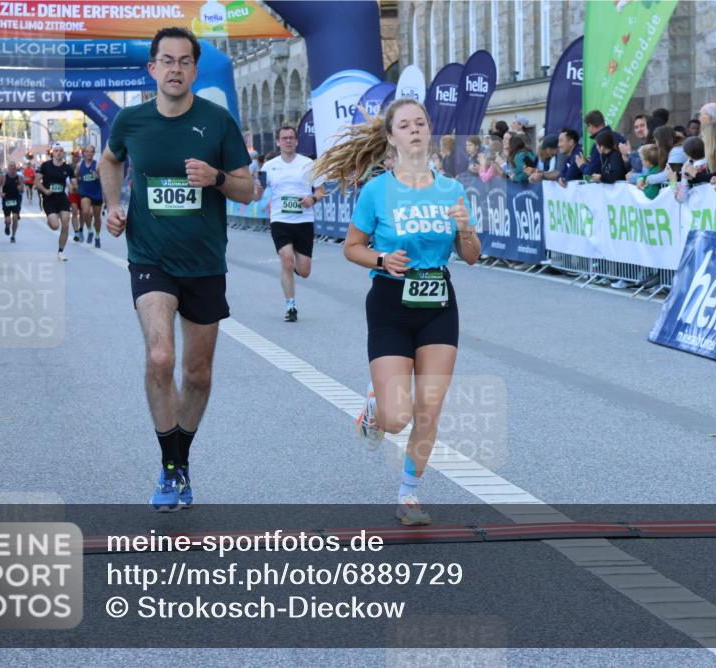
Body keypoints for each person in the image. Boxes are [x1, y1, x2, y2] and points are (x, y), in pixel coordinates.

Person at [100, 26, 255, 511]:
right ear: (152, 69)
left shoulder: (217, 121)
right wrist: (112, 206)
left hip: (205, 262)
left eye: (184, 61)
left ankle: (179, 459)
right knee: (161, 356)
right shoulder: (131, 120)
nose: (175, 69)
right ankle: (170, 468)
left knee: (198, 373)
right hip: (151, 258)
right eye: (166, 61)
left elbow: (248, 188)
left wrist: (217, 177)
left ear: (194, 69)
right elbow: (110, 161)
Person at [311, 99, 480, 526]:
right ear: (391, 137)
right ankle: (375, 407)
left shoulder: (451, 190)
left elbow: (472, 256)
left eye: (420, 122)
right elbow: (352, 247)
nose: (415, 130)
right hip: (390, 302)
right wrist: (382, 259)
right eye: (405, 125)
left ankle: (409, 494)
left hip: (438, 302)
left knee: (430, 408)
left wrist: (465, 229)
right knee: (396, 417)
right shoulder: (376, 191)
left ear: (429, 130)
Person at [254, 125, 325, 322]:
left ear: (296, 141)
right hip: (280, 220)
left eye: (291, 138)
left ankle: (294, 268)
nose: (288, 141)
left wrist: (312, 198)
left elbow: (321, 190)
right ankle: (291, 306)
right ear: (278, 142)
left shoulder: (308, 164)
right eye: (284, 138)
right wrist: (257, 188)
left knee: (304, 271)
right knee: (286, 259)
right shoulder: (269, 166)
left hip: (304, 220)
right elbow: (257, 195)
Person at [35, 144, 76, 261]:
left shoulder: (67, 168)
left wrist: (74, 186)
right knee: (55, 226)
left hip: (62, 198)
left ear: (63, 153)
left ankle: (61, 251)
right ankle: (50, 220)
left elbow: (74, 182)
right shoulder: (45, 165)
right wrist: (45, 190)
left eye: (61, 151)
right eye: (56, 151)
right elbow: (36, 181)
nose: (58, 152)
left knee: (66, 224)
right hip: (49, 199)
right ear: (53, 153)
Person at [576, 110, 626, 180]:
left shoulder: (599, 142)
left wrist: (582, 165)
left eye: (586, 128)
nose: (587, 131)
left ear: (590, 125)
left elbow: (593, 171)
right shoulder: (619, 137)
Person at [77, 145, 104, 247]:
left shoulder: (97, 165)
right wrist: (76, 181)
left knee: (97, 217)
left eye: (91, 152)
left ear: (93, 153)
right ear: (84, 153)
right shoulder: (79, 165)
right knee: (85, 212)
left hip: (96, 193)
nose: (89, 153)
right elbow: (76, 175)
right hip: (85, 192)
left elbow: (103, 177)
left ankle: (97, 237)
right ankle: (90, 231)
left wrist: (98, 176)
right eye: (87, 151)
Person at [0, 161, 24, 242]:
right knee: (8, 220)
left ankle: (13, 236)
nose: (13, 168)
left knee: (15, 217)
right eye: (11, 166)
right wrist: (0, 193)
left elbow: (22, 188)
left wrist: (20, 188)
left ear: (16, 168)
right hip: (7, 199)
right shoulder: (3, 177)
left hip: (16, 199)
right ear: (8, 168)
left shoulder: (19, 177)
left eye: (14, 166)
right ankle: (7, 225)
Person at [68, 150, 85, 242]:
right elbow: (66, 178)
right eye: (73, 156)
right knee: (74, 211)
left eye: (76, 156)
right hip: (73, 192)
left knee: (82, 213)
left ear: (80, 157)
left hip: (82, 192)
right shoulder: (69, 167)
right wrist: (69, 186)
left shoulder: (83, 166)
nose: (75, 158)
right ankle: (76, 233)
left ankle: (81, 229)